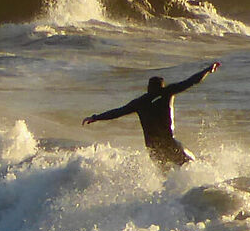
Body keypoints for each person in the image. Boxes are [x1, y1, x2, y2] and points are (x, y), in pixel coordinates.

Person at [84, 61, 221, 168]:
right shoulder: (166, 93)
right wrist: (208, 70)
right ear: (162, 87)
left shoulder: (140, 102)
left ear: (148, 88)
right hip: (169, 144)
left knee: (166, 177)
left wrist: (95, 117)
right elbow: (191, 81)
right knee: (191, 165)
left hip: (153, 149)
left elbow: (117, 112)